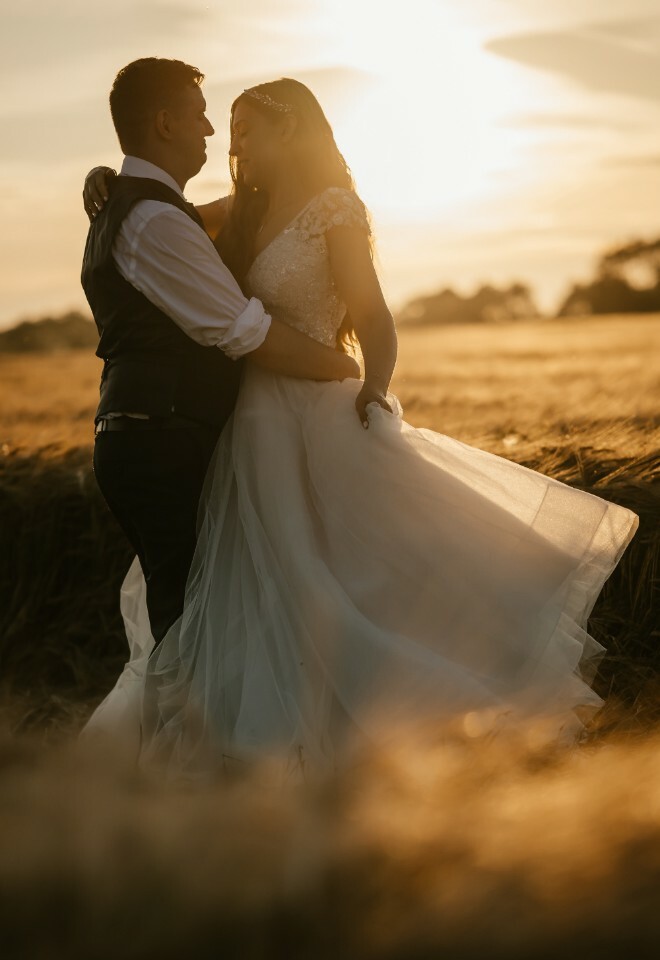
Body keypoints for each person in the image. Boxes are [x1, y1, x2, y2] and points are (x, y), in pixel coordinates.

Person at [80, 77, 639, 783]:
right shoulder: (239, 212)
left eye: (247, 127)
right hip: (246, 424)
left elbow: (372, 314)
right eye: (223, 125)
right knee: (252, 583)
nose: (232, 142)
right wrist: (106, 180)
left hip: (315, 404)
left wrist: (371, 384)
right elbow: (161, 215)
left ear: (291, 132)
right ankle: (247, 746)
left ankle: (384, 724)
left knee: (330, 575)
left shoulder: (334, 209)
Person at [80, 60, 360, 655]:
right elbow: (243, 331)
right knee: (188, 621)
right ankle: (186, 742)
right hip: (162, 435)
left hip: (149, 431)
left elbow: (228, 216)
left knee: (196, 608)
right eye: (202, 116)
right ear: (164, 123)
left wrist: (108, 176)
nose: (213, 133)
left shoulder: (147, 206)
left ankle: (191, 738)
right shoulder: (153, 218)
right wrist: (339, 366)